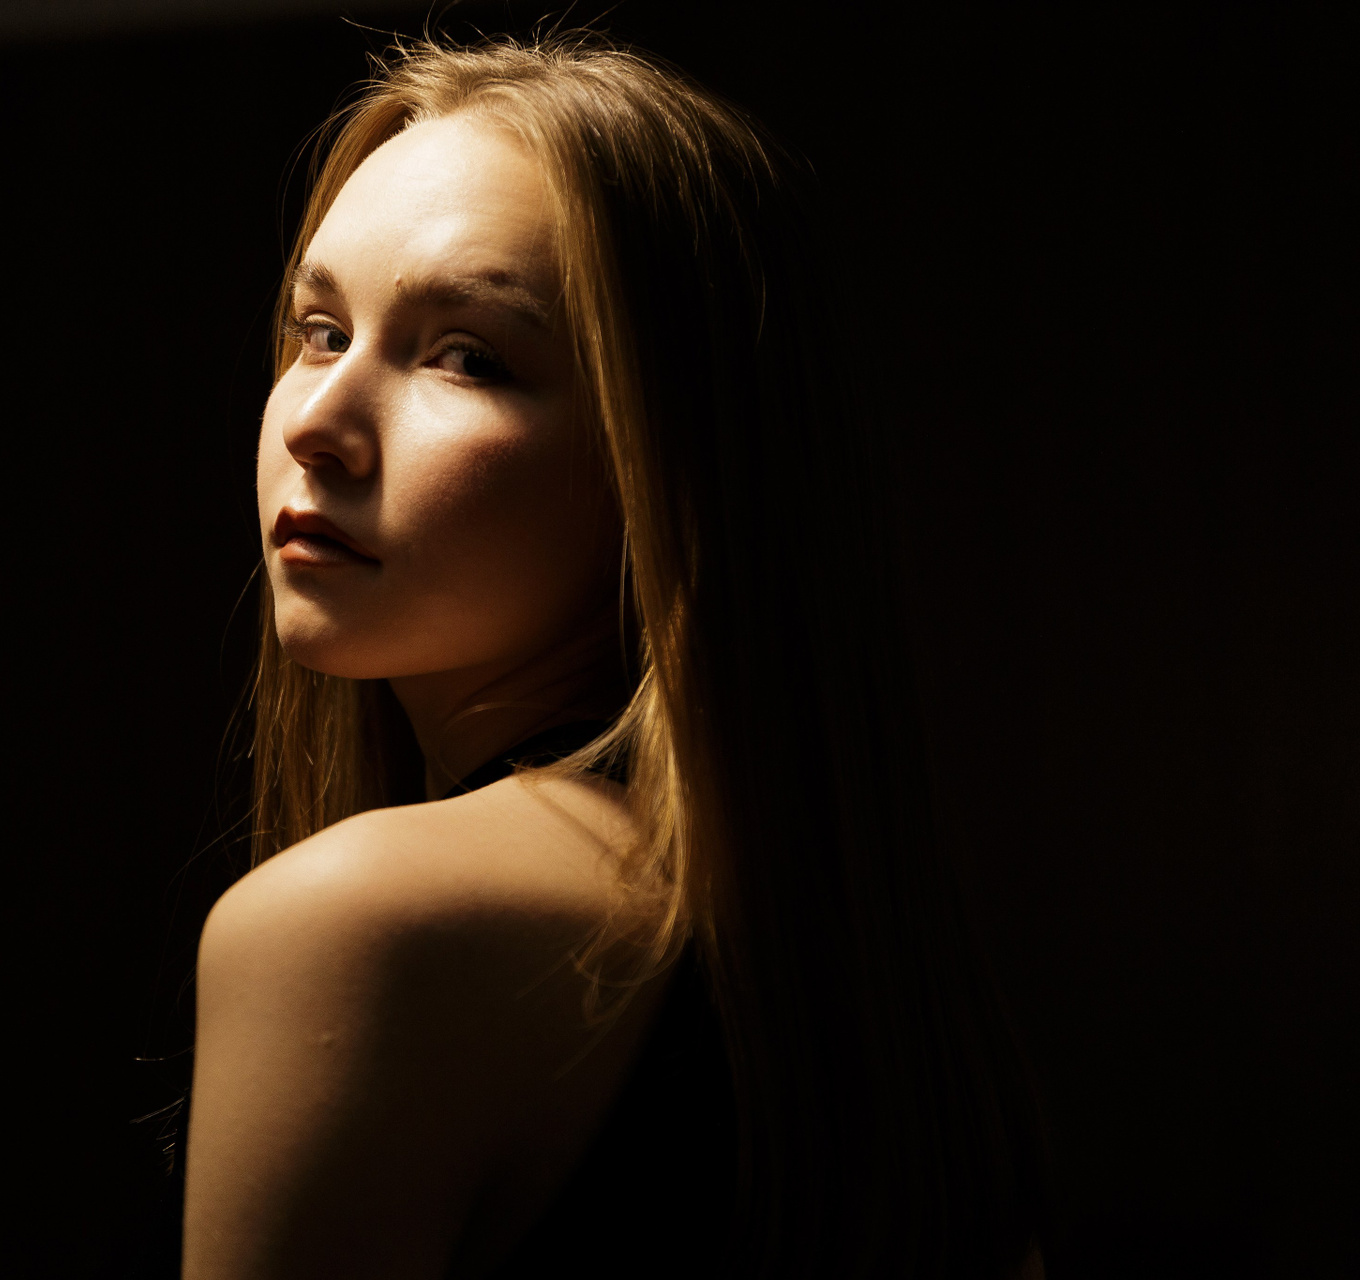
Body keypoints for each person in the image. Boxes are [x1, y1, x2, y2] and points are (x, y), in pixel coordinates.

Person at [182, 31, 1046, 1280]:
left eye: (468, 356)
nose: (317, 422)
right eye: (319, 331)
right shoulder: (870, 978)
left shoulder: (361, 921)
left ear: (671, 463)